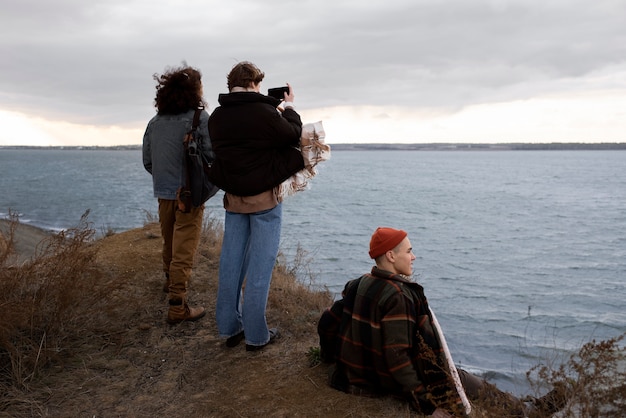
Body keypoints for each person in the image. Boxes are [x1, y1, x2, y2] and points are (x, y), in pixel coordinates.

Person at [318, 227, 567, 417]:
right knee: (459, 378)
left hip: (353, 376)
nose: (414, 257)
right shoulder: (399, 296)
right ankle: (530, 412)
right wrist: (428, 406)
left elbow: (326, 323)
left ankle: (525, 406)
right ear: (391, 255)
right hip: (377, 383)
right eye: (408, 251)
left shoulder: (358, 284)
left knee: (460, 376)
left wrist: (332, 360)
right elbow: (397, 359)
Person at [207, 61, 305, 351]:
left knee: (231, 265)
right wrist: (287, 107)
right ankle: (256, 335)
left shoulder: (217, 118)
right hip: (264, 200)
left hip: (234, 200)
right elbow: (293, 134)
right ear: (253, 84)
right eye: (259, 85)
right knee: (260, 268)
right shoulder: (265, 113)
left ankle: (228, 328)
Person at [142, 64, 213, 324]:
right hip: (188, 194)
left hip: (164, 192)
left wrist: (165, 180)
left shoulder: (155, 121)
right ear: (194, 91)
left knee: (169, 242)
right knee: (184, 248)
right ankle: (177, 305)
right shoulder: (199, 119)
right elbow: (211, 157)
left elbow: (148, 161)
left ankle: (169, 284)